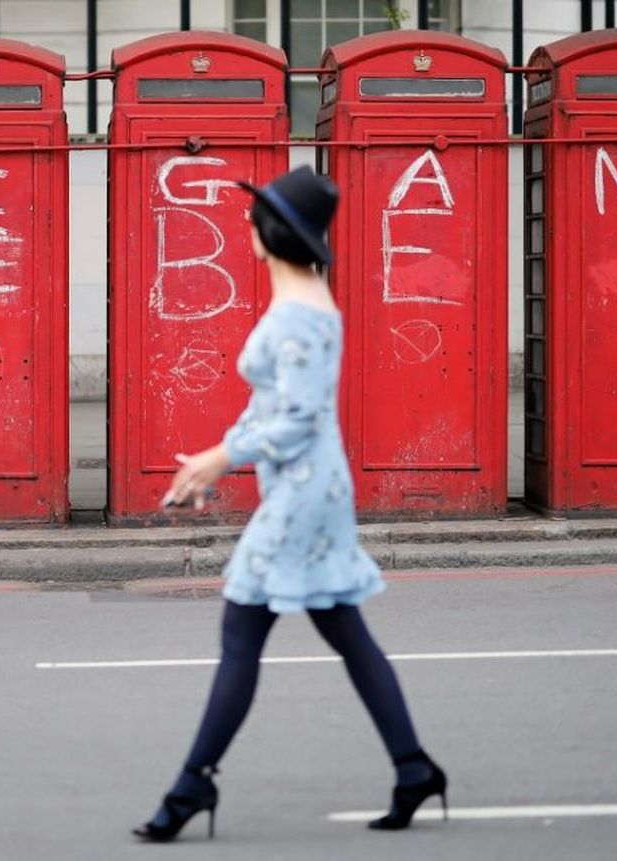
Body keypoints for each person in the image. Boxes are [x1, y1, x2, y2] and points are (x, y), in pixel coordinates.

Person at [132, 166, 447, 843]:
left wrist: (223, 457)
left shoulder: (301, 312)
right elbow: (274, 407)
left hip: (303, 496)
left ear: (273, 231)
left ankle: (192, 784)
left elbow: (299, 418)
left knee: (242, 630)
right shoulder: (305, 297)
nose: (246, 223)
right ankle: (414, 766)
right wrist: (216, 455)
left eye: (255, 216)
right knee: (345, 631)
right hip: (311, 486)